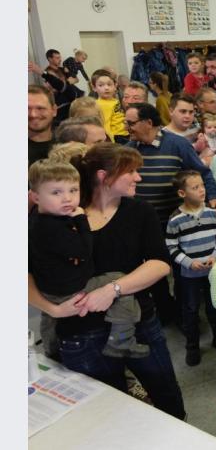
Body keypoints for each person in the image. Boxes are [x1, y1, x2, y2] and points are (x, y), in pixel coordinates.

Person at [27, 143, 186, 419]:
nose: (138, 177)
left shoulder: (139, 211)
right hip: (81, 332)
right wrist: (53, 309)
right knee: (107, 414)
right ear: (104, 176)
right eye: (132, 172)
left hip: (139, 324)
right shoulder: (56, 215)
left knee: (168, 399)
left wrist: (112, 290)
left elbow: (160, 264)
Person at [29, 159, 149, 360]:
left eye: (73, 190)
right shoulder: (51, 228)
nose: (67, 198)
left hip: (49, 289)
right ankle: (121, 341)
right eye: (56, 192)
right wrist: (81, 220)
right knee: (120, 281)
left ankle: (51, 348)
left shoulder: (37, 221)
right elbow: (84, 250)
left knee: (49, 316)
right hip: (70, 289)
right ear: (35, 197)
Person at [164, 170, 216, 366]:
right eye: (195, 187)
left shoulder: (211, 213)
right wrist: (189, 262)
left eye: (202, 185)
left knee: (215, 306)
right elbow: (171, 246)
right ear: (182, 193)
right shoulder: (175, 220)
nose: (202, 190)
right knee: (190, 310)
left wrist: (215, 255)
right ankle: (192, 346)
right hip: (189, 275)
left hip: (212, 272)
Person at [126, 103, 216, 224]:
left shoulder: (178, 145)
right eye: (126, 123)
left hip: (174, 223)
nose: (126, 128)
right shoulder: (127, 150)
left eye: (131, 123)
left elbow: (203, 173)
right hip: (140, 223)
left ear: (149, 123)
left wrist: (214, 197)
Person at [91, 69, 128, 144]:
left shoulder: (114, 100)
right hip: (117, 137)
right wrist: (111, 143)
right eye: (101, 85)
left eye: (109, 84)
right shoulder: (101, 104)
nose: (106, 88)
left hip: (124, 134)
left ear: (115, 86)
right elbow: (105, 125)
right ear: (94, 88)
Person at [29, 85, 58, 165]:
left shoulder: (67, 143)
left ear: (54, 110)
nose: (33, 114)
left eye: (40, 108)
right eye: (27, 108)